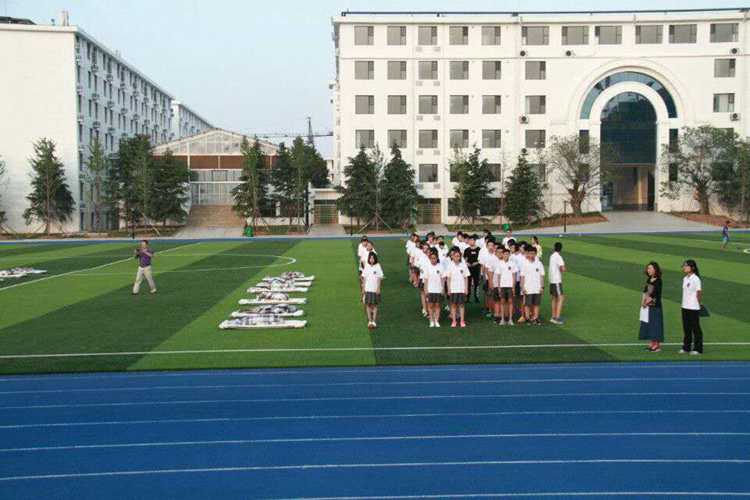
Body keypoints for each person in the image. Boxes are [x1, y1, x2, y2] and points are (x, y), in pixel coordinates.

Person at [639, 261, 664, 352]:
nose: (648, 270)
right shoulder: (649, 279)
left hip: (655, 306)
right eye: (648, 268)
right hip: (648, 305)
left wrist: (646, 302)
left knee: (656, 325)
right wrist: (643, 302)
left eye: (650, 268)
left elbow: (654, 294)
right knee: (650, 324)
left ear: (655, 270)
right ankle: (652, 343)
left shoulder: (658, 281)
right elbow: (645, 291)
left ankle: (656, 345)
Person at [680, 259, 703, 355]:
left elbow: (699, 293)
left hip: (693, 307)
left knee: (695, 328)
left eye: (686, 266)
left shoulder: (696, 279)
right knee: (686, 328)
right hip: (684, 306)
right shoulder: (685, 278)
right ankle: (686, 347)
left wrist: (699, 304)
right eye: (684, 266)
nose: (684, 267)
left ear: (692, 267)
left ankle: (698, 349)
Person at [445, 248, 470, 328]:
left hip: (461, 289)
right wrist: (449, 289)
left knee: (461, 305)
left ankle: (462, 321)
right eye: (455, 256)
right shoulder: (450, 265)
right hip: (453, 289)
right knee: (453, 305)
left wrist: (466, 288)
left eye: (458, 256)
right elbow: (448, 278)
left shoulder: (463, 265)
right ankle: (454, 321)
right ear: (452, 257)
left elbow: (466, 278)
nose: (457, 258)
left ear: (460, 257)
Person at [520, 246, 545, 325]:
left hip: (537, 287)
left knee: (536, 304)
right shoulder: (525, 264)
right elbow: (522, 277)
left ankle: (535, 317)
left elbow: (542, 276)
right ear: (528, 254)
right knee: (527, 304)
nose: (531, 255)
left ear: (536, 254)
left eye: (533, 253)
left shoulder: (539, 264)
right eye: (530, 253)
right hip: (528, 287)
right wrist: (522, 287)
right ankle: (527, 318)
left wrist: (542, 287)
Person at [495, 247, 517, 325]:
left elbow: (514, 275)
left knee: (510, 302)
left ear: (509, 255)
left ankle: (510, 319)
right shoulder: (500, 263)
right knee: (502, 302)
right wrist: (499, 287)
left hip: (510, 286)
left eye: (507, 254)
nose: (506, 255)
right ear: (502, 255)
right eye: (505, 254)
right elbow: (498, 276)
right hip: (502, 286)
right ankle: (502, 319)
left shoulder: (512, 264)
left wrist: (513, 286)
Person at [362, 252, 384, 330]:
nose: (371, 259)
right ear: (369, 259)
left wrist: (378, 288)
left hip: (374, 289)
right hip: (368, 289)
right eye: (370, 258)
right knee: (368, 305)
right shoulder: (367, 266)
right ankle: (369, 321)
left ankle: (374, 321)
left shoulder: (378, 266)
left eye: (373, 258)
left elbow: (380, 278)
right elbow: (364, 278)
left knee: (375, 305)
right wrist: (363, 288)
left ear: (375, 259)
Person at [424, 249, 444, 327]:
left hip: (438, 289)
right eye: (431, 258)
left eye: (434, 258)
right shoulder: (427, 267)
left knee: (437, 305)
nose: (433, 260)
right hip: (430, 289)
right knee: (430, 306)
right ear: (429, 259)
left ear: (437, 258)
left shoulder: (440, 267)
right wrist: (426, 290)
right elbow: (426, 280)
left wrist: (442, 288)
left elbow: (442, 279)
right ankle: (431, 321)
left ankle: (436, 320)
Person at [548, 242, 567, 325]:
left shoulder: (552, 256)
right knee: (561, 298)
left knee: (554, 298)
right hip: (556, 280)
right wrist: (564, 269)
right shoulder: (558, 257)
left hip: (551, 280)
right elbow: (563, 268)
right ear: (561, 249)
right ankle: (557, 318)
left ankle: (553, 316)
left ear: (554, 247)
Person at [464, 234, 481, 303]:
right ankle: (467, 298)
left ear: (474, 241)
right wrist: (467, 263)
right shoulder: (467, 250)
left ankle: (476, 297)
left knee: (476, 283)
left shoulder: (479, 249)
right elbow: (464, 259)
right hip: (469, 269)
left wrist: (476, 263)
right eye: (469, 240)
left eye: (472, 240)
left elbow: (481, 260)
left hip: (476, 269)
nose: (471, 242)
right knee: (468, 283)